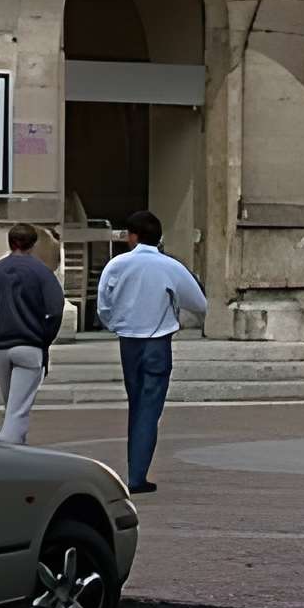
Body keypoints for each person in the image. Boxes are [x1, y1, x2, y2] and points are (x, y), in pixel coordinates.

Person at [95, 212, 207, 496]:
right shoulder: (168, 265)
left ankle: (136, 468)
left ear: (132, 236)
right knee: (149, 408)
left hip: (128, 339)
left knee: (136, 402)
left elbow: (104, 305)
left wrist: (116, 323)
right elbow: (199, 302)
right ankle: (137, 473)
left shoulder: (117, 265)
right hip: (157, 339)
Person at [0, 224, 66, 445]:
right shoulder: (43, 273)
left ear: (10, 242)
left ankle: (15, 445)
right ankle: (6, 445)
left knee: (11, 404)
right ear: (33, 245)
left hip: (0, 346)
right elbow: (55, 310)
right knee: (18, 409)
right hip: (30, 345)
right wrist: (44, 339)